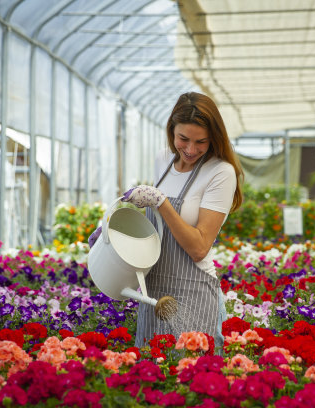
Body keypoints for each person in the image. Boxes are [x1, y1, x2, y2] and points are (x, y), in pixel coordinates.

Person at [89, 92, 243, 351]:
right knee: (150, 374)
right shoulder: (163, 159)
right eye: (183, 138)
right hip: (154, 290)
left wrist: (161, 202)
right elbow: (158, 228)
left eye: (201, 142)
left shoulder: (220, 172)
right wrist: (113, 233)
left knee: (193, 377)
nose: (190, 150)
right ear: (171, 130)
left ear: (214, 138)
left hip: (193, 289)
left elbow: (199, 248)